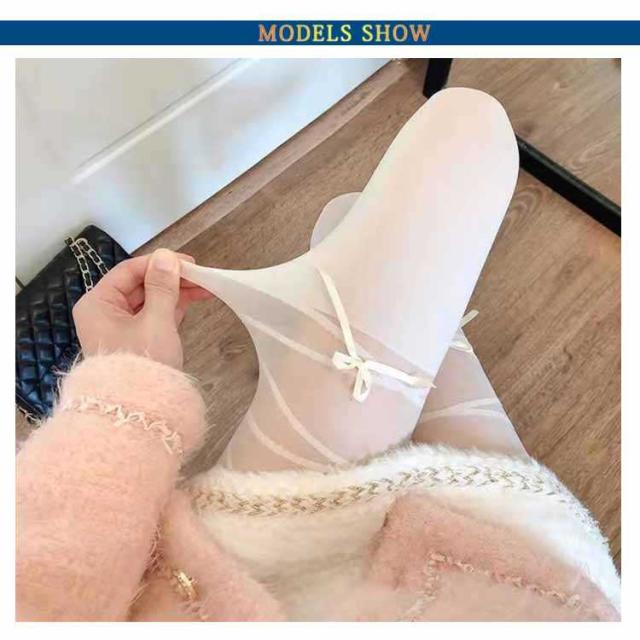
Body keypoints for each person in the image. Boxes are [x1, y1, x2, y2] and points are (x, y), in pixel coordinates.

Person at [16, 248, 620, 621]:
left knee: (374, 241)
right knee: (459, 140)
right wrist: (125, 385)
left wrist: (125, 383)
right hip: (531, 597)